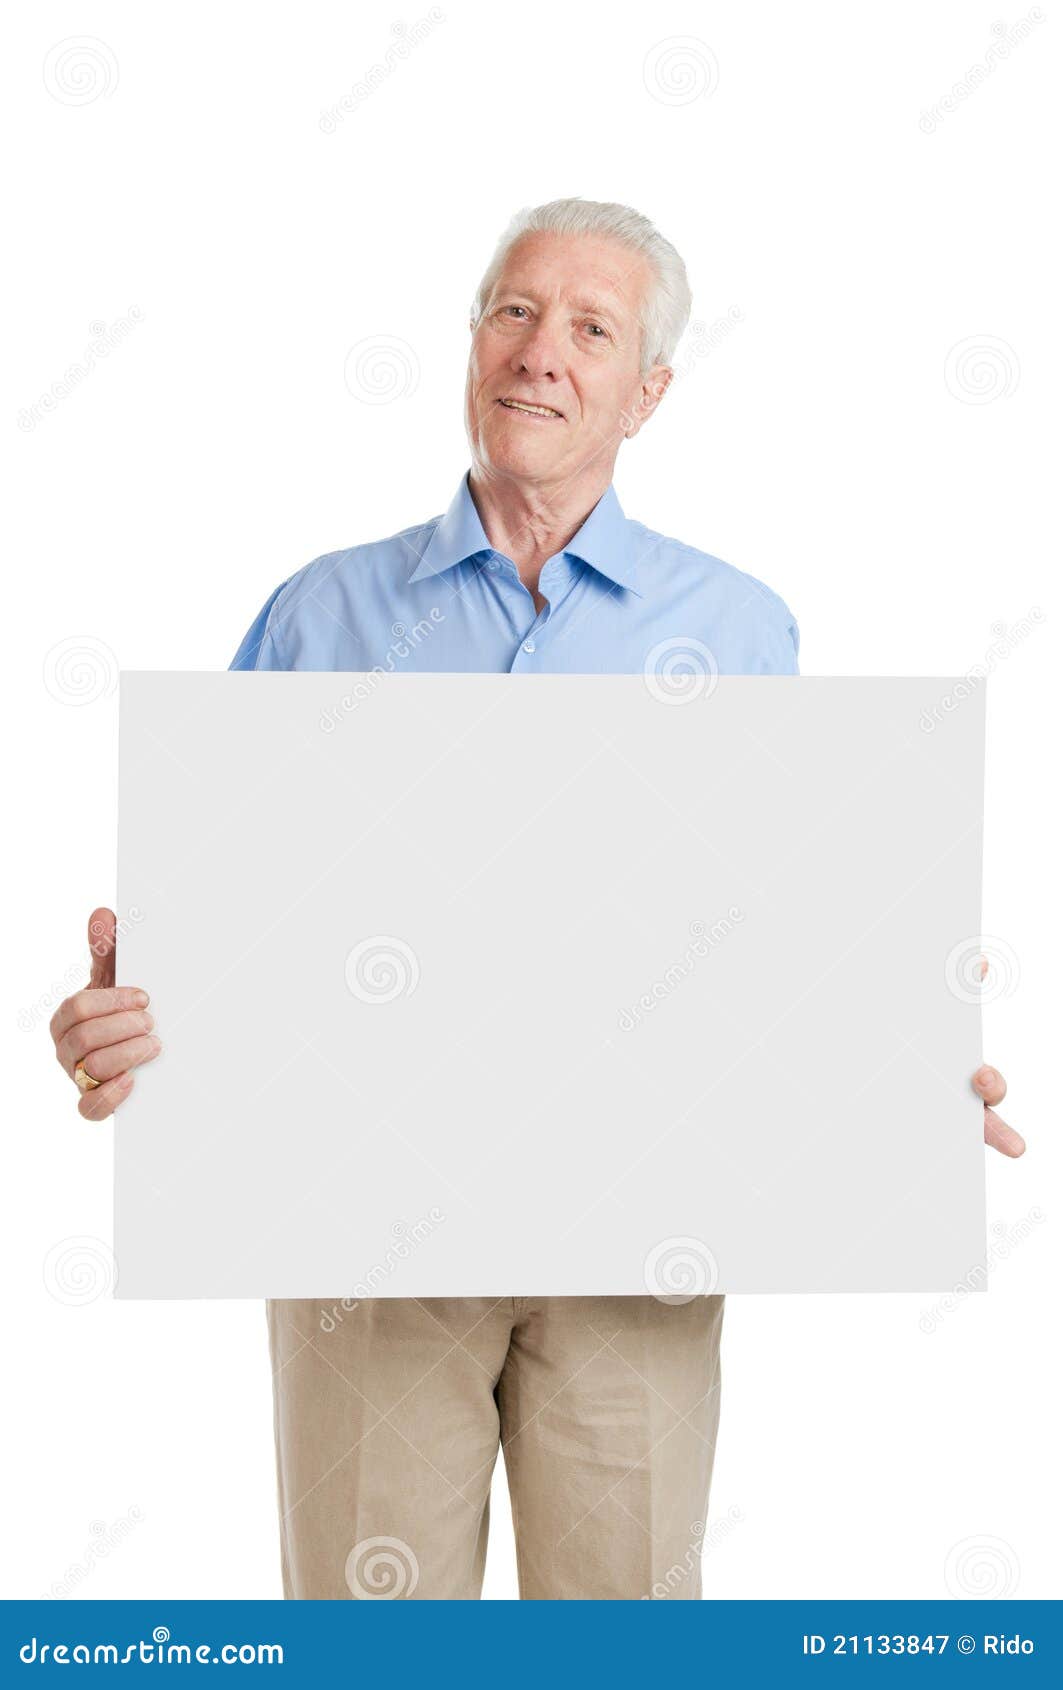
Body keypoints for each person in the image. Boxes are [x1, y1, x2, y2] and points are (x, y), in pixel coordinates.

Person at [48, 199, 1025, 1601]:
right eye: (512, 311)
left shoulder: (737, 630)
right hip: (361, 1244)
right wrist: (123, 1023)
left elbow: (787, 927)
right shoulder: (318, 615)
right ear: (469, 345)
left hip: (644, 1239)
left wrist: (894, 1079)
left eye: (590, 327)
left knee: (623, 1638)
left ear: (650, 390)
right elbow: (212, 928)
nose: (539, 352)